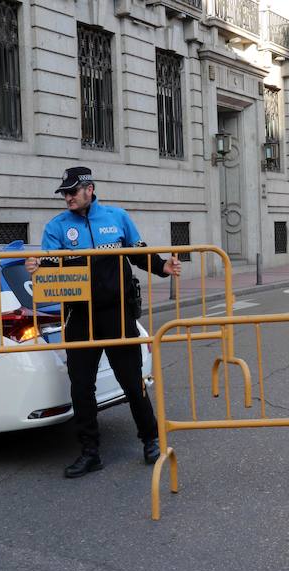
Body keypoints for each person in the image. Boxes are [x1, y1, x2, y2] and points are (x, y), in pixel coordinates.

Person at [25, 167, 181, 478]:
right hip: (79, 317)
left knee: (132, 383)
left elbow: (138, 253)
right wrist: (37, 264)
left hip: (116, 313)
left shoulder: (116, 217)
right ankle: (90, 452)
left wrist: (163, 266)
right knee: (82, 388)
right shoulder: (56, 227)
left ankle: (151, 440)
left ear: (90, 189)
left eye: (73, 191)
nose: (67, 197)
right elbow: (49, 265)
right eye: (64, 192)